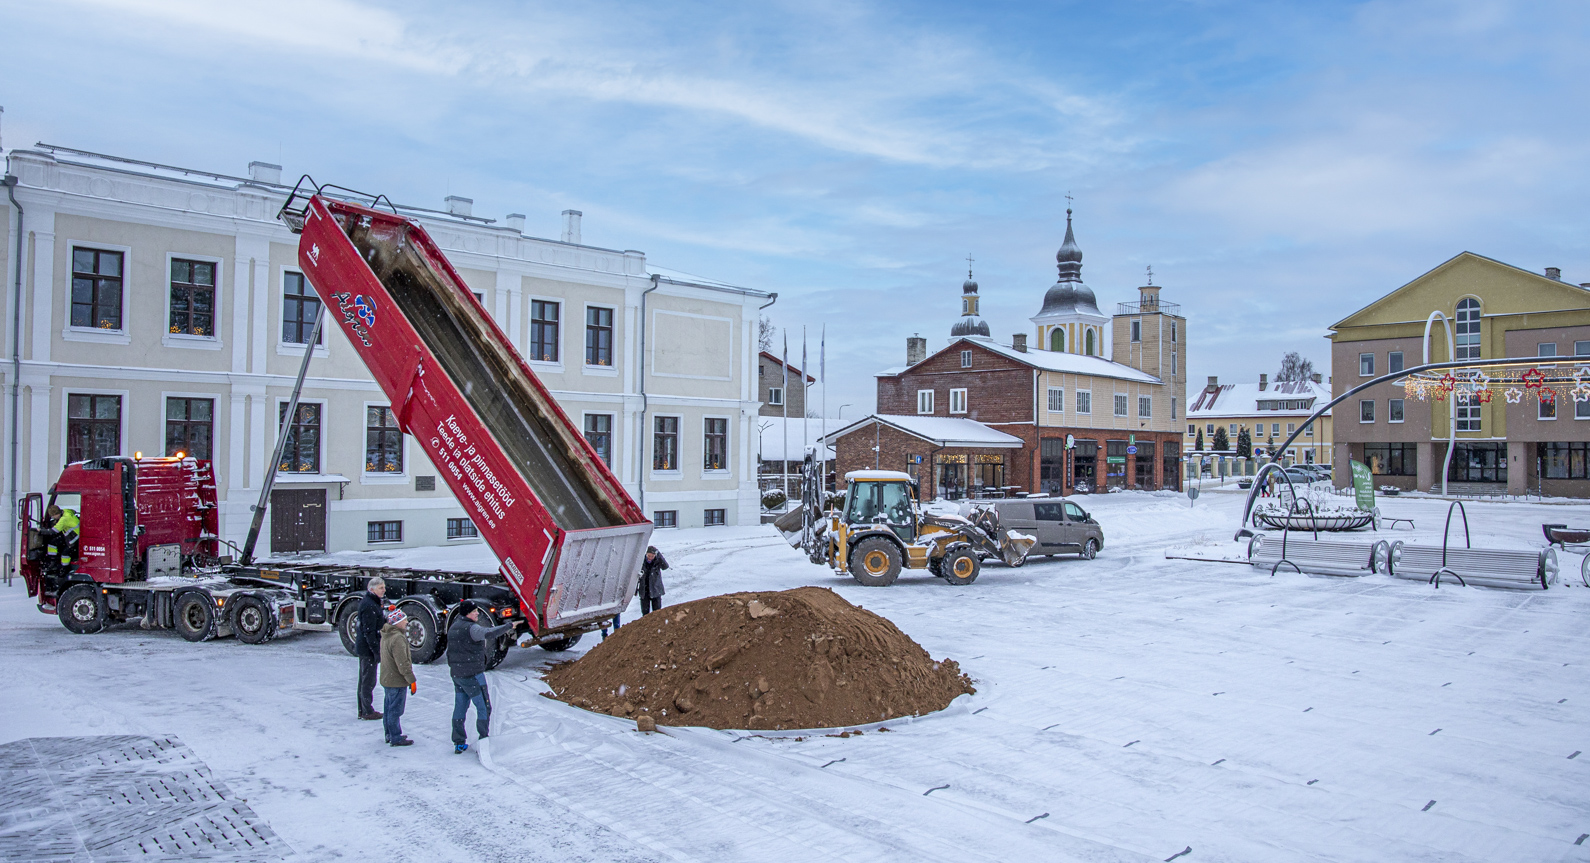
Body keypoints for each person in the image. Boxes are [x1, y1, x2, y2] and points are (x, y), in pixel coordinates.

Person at [446, 601, 512, 754]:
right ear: (467, 613)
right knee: (483, 707)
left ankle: (458, 742)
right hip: (473, 675)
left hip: (457, 674)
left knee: (460, 708)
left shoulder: (454, 627)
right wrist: (508, 626)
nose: (477, 613)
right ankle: (484, 740)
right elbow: (489, 633)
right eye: (475, 611)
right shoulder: (472, 628)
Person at [379, 609, 417, 746]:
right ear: (397, 622)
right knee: (395, 710)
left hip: (387, 678)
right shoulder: (398, 638)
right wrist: (411, 680)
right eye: (404, 620)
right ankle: (395, 737)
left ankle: (389, 734)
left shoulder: (386, 634)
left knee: (389, 708)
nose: (407, 622)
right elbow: (403, 664)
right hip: (396, 681)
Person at [355, 578, 387, 720]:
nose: (384, 590)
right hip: (367, 649)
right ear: (372, 589)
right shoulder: (369, 605)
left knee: (365, 680)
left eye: (384, 587)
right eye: (381, 587)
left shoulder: (372, 603)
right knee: (368, 681)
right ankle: (366, 710)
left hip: (366, 647)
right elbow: (369, 631)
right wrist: (376, 651)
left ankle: (364, 709)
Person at [44, 504, 79, 571]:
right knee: (52, 543)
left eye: (53, 516)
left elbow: (54, 531)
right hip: (73, 534)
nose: (53, 518)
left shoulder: (64, 519)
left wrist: (41, 531)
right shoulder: (66, 511)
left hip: (75, 537)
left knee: (65, 554)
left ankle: (64, 569)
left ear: (57, 514)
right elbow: (73, 511)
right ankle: (53, 561)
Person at [638, 546, 668, 615]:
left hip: (656, 589)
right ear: (646, 554)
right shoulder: (641, 561)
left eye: (652, 556)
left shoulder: (657, 561)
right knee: (645, 614)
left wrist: (659, 555)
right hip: (644, 590)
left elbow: (665, 566)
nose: (650, 558)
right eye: (649, 555)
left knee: (657, 613)